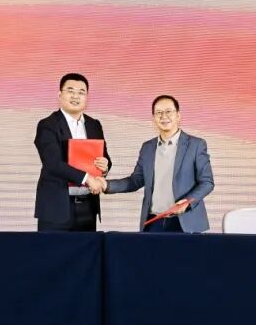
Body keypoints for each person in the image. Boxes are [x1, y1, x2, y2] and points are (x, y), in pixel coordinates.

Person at [103, 95, 214, 233]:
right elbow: (135, 181)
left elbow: (207, 182)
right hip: (153, 221)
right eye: (158, 113)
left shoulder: (196, 145)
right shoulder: (147, 147)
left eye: (168, 111)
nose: (163, 116)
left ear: (178, 115)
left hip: (185, 222)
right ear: (153, 118)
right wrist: (106, 185)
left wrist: (187, 202)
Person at [33, 73, 112, 231]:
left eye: (81, 92)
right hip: (57, 208)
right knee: (54, 248)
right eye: (70, 91)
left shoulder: (94, 125)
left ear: (87, 97)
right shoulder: (48, 125)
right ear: (60, 95)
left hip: (88, 206)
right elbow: (53, 163)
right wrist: (87, 178)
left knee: (87, 248)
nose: (76, 96)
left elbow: (105, 157)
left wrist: (105, 166)